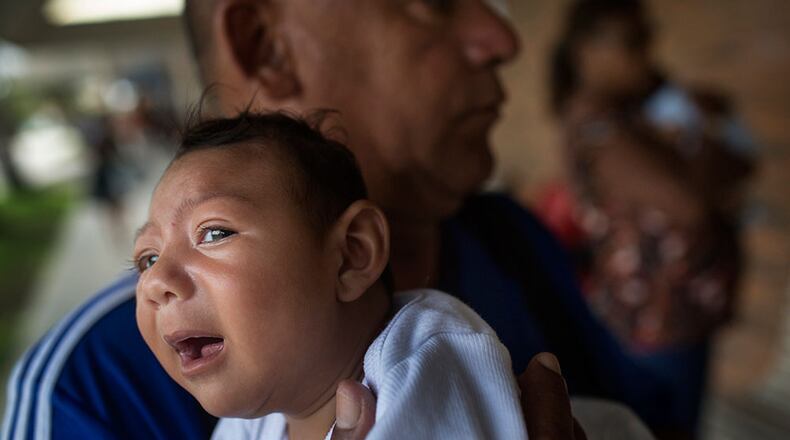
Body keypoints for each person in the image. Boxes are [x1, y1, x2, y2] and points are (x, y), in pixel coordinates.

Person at [3, 1, 664, 439]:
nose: (500, 37)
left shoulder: (493, 266)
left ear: (353, 253)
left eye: (215, 233)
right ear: (267, 45)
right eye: (435, 0)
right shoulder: (86, 393)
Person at [134, 110, 528, 439]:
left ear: (352, 254)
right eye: (147, 258)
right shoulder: (248, 427)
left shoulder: (424, 355)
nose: (155, 281)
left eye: (215, 233)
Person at [537, 0, 756, 436]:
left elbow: (742, 165)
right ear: (587, 51)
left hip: (678, 316)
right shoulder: (598, 124)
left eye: (648, 36)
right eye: (633, 41)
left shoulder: (638, 111)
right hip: (656, 325)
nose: (647, 52)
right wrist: (705, 148)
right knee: (665, 429)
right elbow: (688, 204)